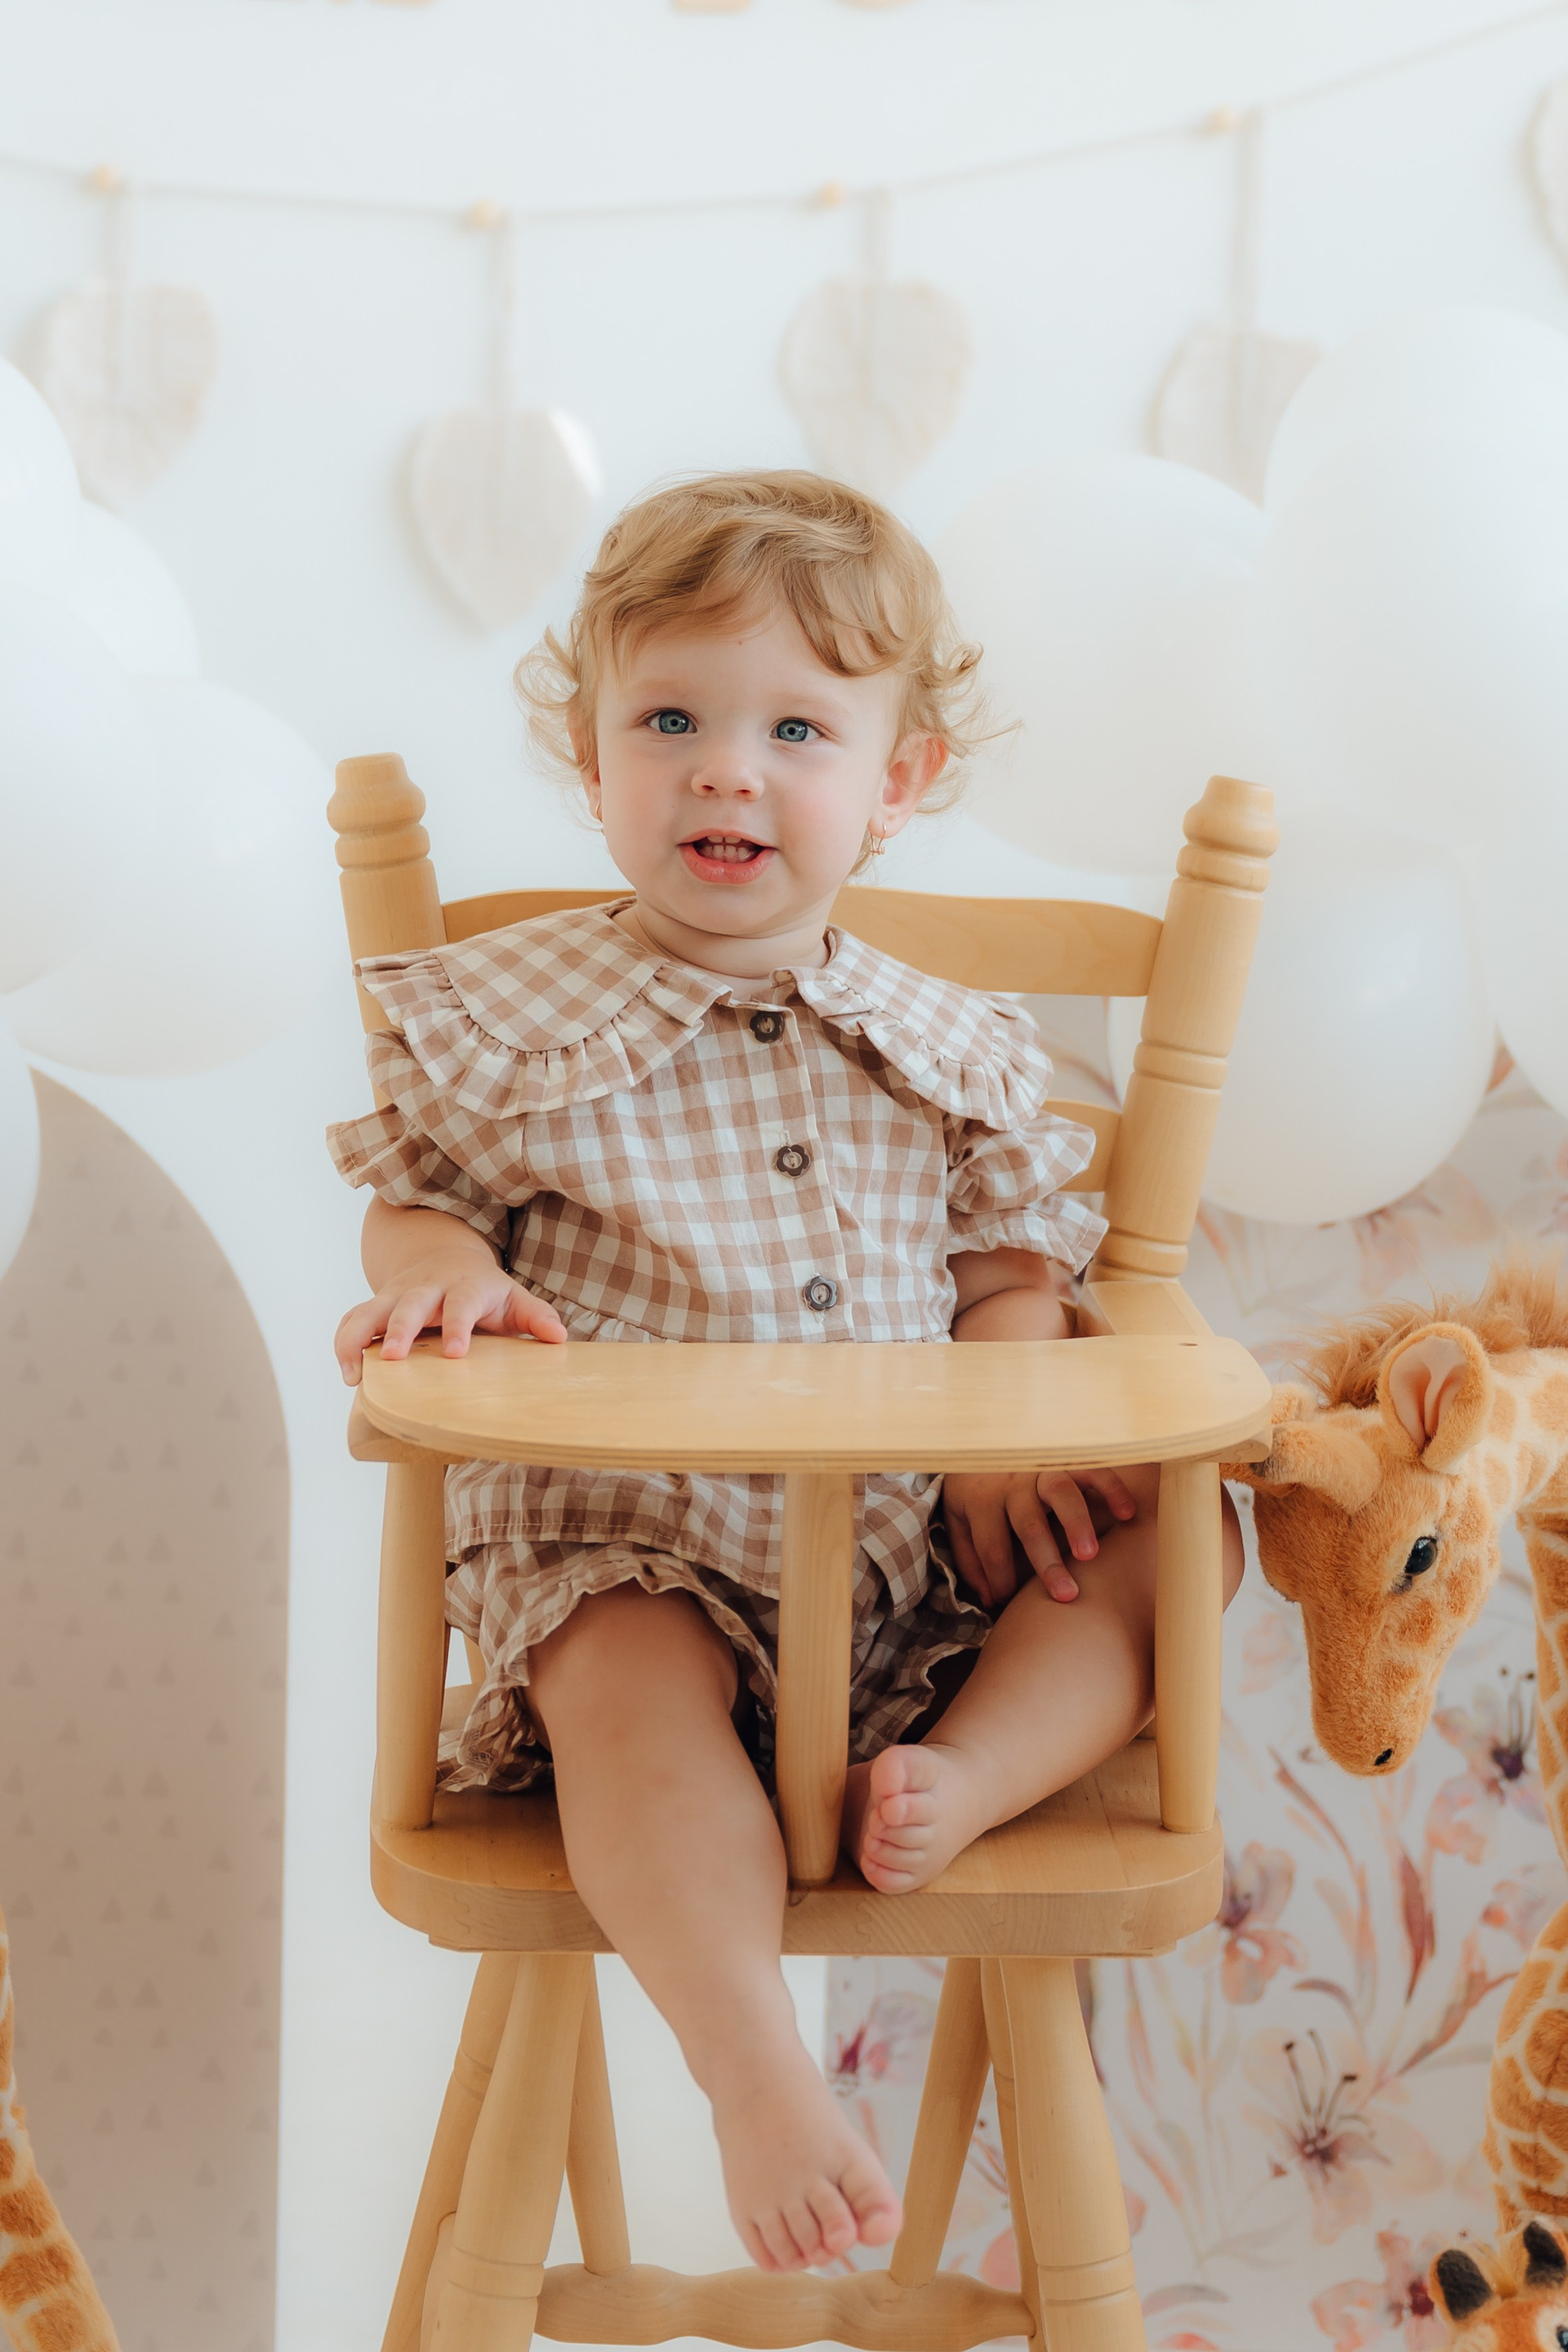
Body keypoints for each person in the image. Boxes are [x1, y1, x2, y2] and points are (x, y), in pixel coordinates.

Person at [329, 470, 1243, 2277]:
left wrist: (1001, 1441)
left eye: (797, 730)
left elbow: (1010, 1270)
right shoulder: (520, 1018)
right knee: (624, 1685)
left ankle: (968, 1773)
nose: (725, 773)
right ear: (591, 755)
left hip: (909, 1571)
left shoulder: (952, 1049)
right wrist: (439, 1279)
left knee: (1185, 1545)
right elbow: (416, 1197)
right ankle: (748, 2059)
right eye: (669, 721)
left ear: (897, 781)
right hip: (634, 1548)